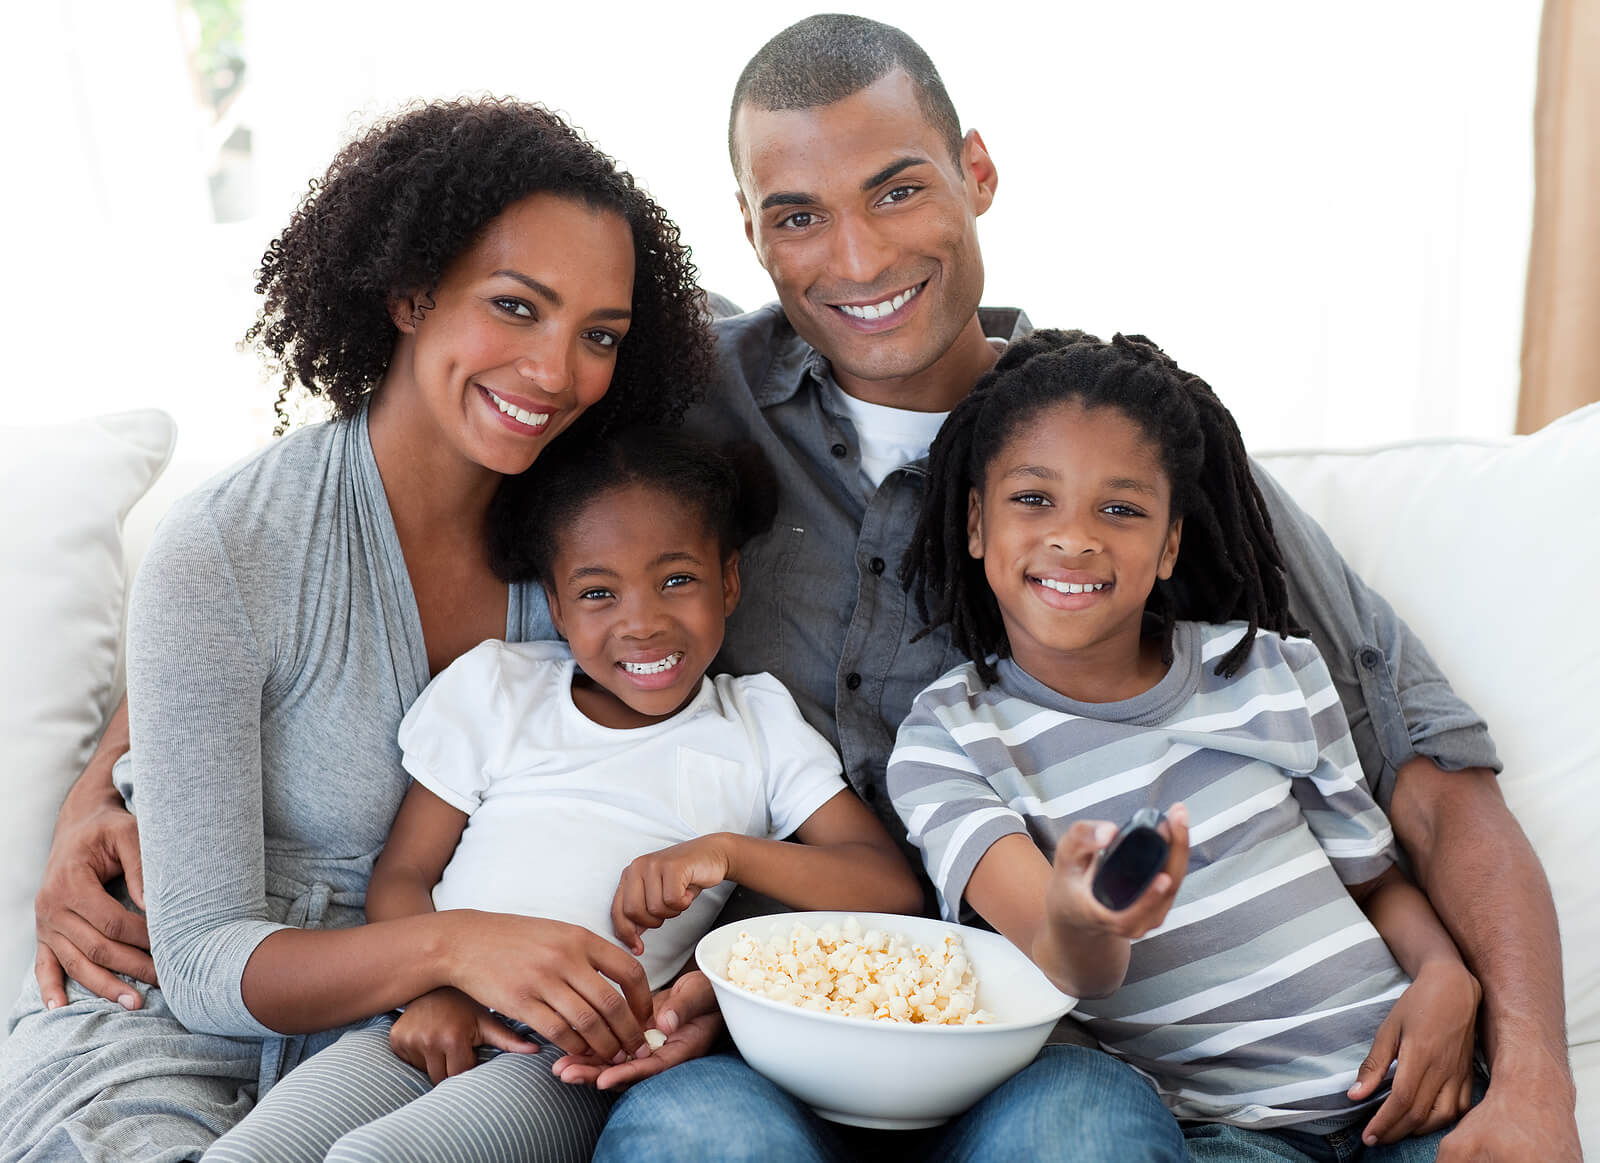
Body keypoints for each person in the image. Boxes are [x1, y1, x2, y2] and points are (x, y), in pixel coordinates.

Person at [592, 14, 1577, 1163]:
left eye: (898, 190)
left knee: (1078, 1134)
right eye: (797, 216)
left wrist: (1527, 1067)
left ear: (978, 173)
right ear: (752, 231)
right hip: (765, 1024)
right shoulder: (677, 396)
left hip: (1040, 1047)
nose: (854, 260)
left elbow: (1421, 769)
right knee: (691, 1143)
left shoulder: (1111, 440)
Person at [0, 97, 716, 1161]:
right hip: (170, 1028)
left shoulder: (608, 549)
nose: (558, 372)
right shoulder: (230, 546)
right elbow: (196, 964)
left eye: (599, 334)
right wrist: (458, 944)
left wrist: (710, 980)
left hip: (449, 1044)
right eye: (516, 307)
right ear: (410, 291)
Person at [203, 427, 922, 1162]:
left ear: (729, 581)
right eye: (598, 593)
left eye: (676, 579)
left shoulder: (758, 724)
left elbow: (888, 888)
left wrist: (729, 853)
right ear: (555, 602)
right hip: (424, 1011)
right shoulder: (500, 688)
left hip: (565, 1059)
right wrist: (432, 988)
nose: (641, 621)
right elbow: (405, 872)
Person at [890, 329, 1483, 1160]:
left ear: (1169, 544)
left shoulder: (1270, 671)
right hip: (1227, 1134)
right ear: (976, 523)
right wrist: (1091, 916)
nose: (1075, 537)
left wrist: (1445, 977)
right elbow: (1068, 962)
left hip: (1412, 1092)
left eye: (1121, 509)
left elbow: (1377, 883)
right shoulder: (946, 739)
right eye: (1034, 499)